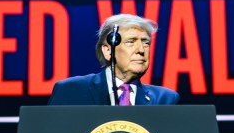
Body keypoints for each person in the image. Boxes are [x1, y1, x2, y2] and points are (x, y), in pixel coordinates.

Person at [47, 14, 180, 106]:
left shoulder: (165, 99)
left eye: (145, 42)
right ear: (108, 51)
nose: (141, 49)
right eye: (130, 42)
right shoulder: (71, 91)